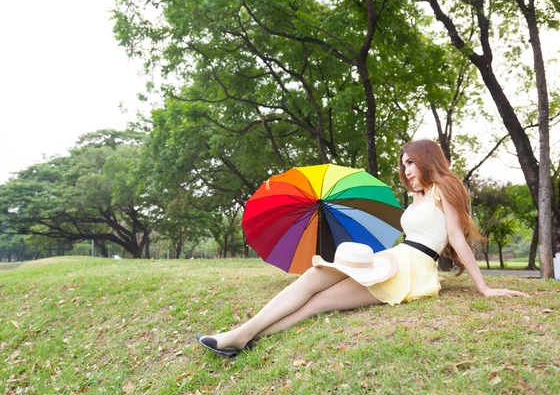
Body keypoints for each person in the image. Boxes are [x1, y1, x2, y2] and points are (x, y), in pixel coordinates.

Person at [196, 139, 529, 358]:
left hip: (411, 270)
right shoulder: (416, 197)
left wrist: (484, 287)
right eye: (404, 164)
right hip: (394, 258)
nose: (406, 170)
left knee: (320, 303)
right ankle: (243, 335)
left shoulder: (446, 187)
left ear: (427, 159)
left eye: (410, 163)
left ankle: (242, 336)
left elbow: (456, 237)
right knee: (314, 276)